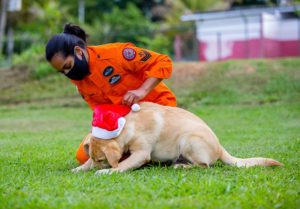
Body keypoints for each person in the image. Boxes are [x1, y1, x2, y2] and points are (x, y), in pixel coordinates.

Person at [45, 23, 177, 164]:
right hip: (125, 120)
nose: (68, 73)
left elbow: (163, 62)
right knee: (84, 155)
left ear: (78, 51)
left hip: (157, 109)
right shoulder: (78, 78)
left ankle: (155, 150)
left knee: (137, 150)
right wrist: (97, 131)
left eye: (67, 66)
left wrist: (142, 91)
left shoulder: (117, 54)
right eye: (62, 72)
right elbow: (100, 109)